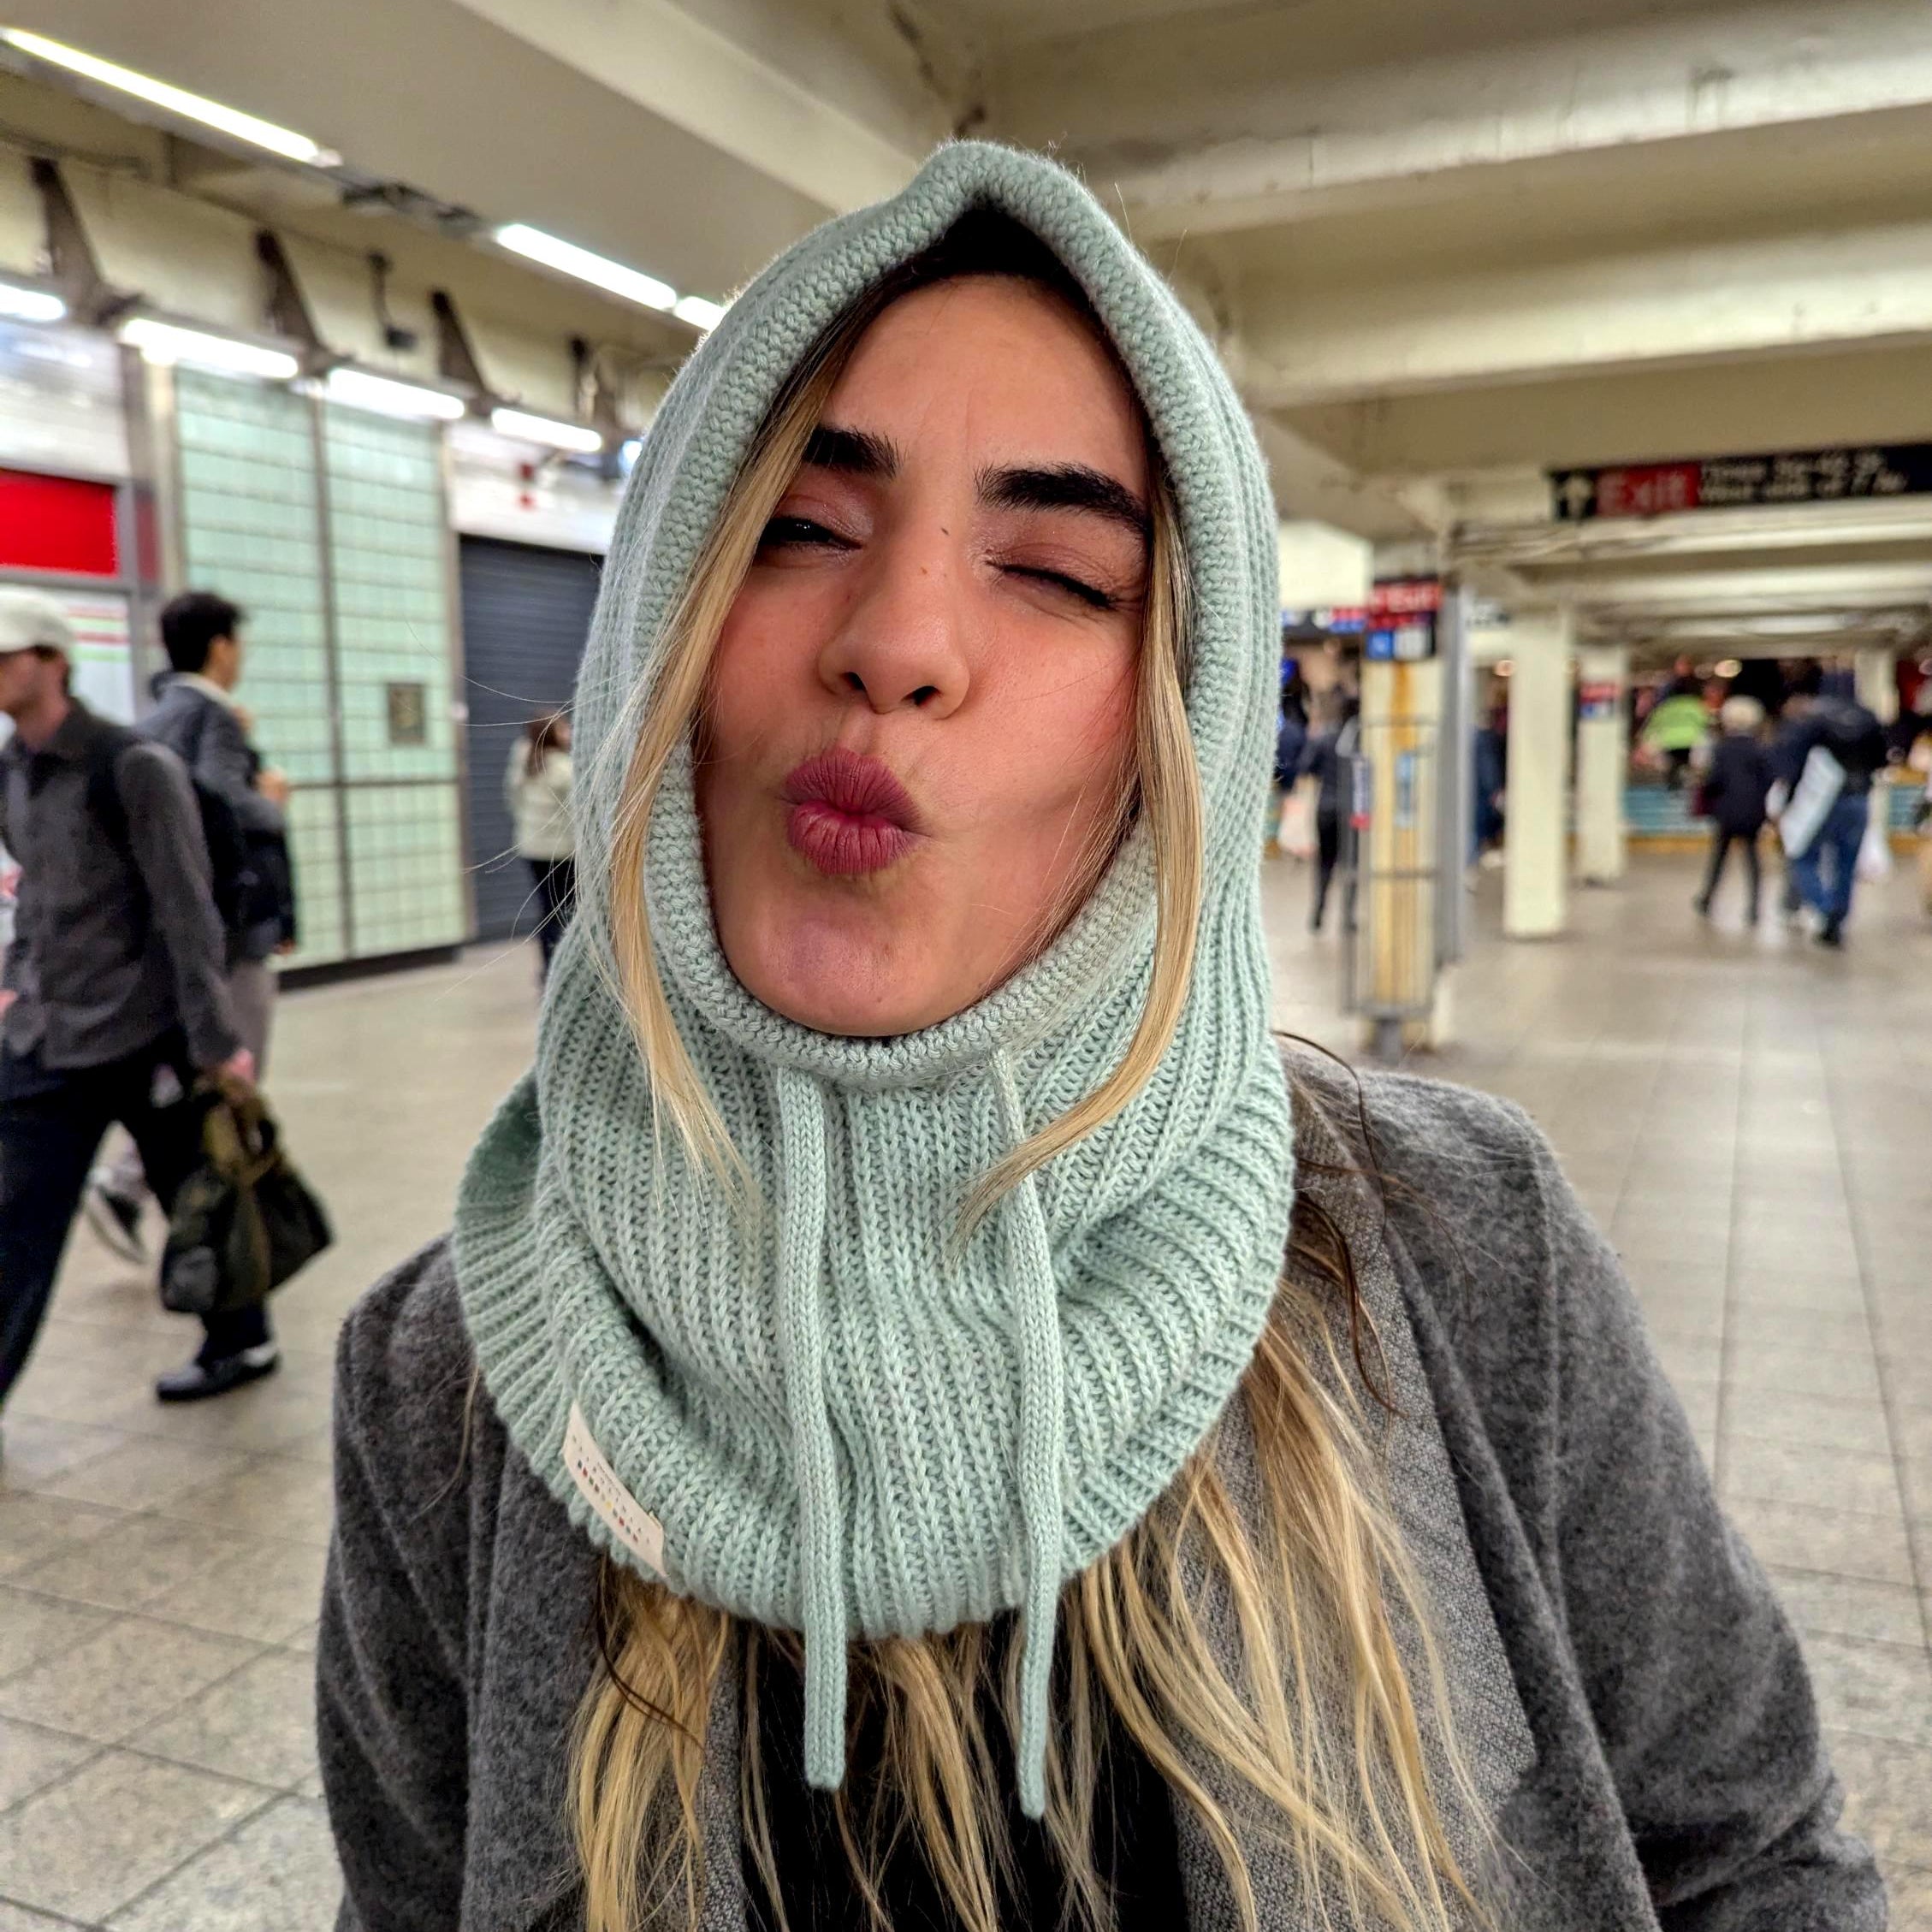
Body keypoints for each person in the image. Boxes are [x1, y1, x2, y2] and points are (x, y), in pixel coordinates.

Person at [318, 151, 1880, 1932]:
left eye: (1057, 572)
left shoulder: (1450, 1244)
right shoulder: (446, 1377)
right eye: (797, 530)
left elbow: (1749, 1857)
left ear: (1179, 726)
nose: (897, 643)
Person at [0, 589, 276, 1411]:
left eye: (8, 655)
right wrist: (17, 983)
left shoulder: (133, 767)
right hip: (46, 1034)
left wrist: (217, 1042)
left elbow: (188, 911)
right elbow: (36, 895)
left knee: (199, 1193)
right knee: (14, 1217)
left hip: (143, 1033)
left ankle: (243, 1340)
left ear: (52, 662)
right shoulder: (10, 772)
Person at [82, 590, 296, 1260]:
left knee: (194, 1065)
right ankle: (145, 1195)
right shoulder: (216, 718)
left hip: (174, 925)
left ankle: (143, 1191)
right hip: (230, 928)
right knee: (237, 1068)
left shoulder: (152, 720)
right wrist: (271, 802)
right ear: (222, 646)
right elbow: (221, 803)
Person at [1774, 673, 1889, 947]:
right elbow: (1881, 759)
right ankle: (1839, 915)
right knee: (1846, 864)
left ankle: (1824, 908)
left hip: (1818, 802)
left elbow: (1793, 765)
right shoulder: (1868, 717)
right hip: (1858, 798)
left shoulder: (1812, 720)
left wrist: (1788, 803)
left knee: (1801, 856)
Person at [505, 710, 576, 977]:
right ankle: (561, 972)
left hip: (531, 847)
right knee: (564, 913)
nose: (568, 730)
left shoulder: (523, 758)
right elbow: (577, 816)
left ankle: (548, 970)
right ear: (552, 734)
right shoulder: (564, 770)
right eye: (562, 727)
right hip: (562, 854)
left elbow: (512, 798)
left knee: (547, 909)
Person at [1692, 694, 1773, 922]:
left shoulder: (1722, 749)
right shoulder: (1761, 749)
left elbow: (1714, 780)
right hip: (1754, 811)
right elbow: (1769, 779)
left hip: (1726, 810)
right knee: (1753, 859)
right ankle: (1754, 906)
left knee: (1719, 857)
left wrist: (1706, 793)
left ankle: (1707, 898)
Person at [1296, 686, 1358, 929]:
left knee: (1324, 863)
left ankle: (1319, 912)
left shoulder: (1326, 738)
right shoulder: (1362, 741)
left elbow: (1305, 766)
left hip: (1326, 808)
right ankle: (1348, 916)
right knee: (1351, 864)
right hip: (1351, 811)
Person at [1639, 668, 1710, 791]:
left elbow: (1653, 725)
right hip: (1690, 740)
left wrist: (1644, 740)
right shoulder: (1696, 705)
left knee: (1673, 766)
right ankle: (1688, 787)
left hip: (1669, 742)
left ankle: (1672, 787)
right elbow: (1705, 723)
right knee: (1687, 764)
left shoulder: (1666, 707)